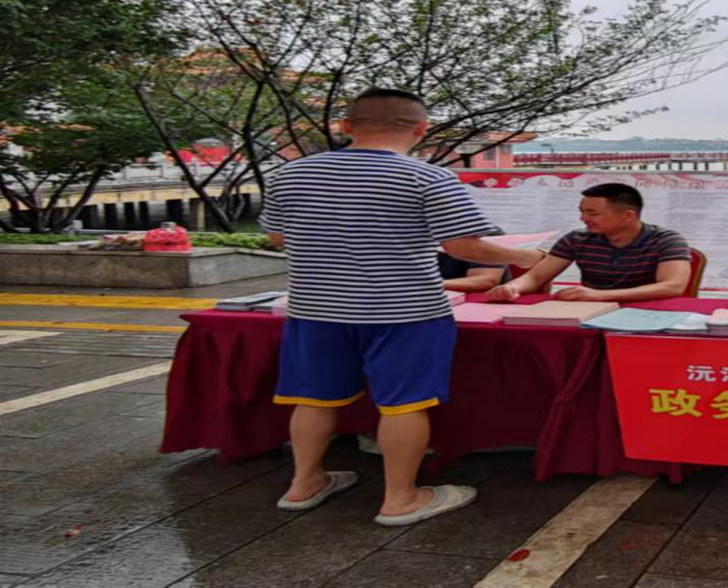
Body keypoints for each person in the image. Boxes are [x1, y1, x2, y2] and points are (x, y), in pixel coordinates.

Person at [259, 88, 543, 527]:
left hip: (314, 308)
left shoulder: (289, 174)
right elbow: (464, 246)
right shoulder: (427, 177)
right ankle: (400, 499)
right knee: (404, 404)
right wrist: (530, 257)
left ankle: (304, 484)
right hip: (405, 312)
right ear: (421, 129)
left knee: (313, 398)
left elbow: (277, 237)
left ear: (346, 126)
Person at [485, 182, 692, 302]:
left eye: (593, 213)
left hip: (650, 312)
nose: (583, 218)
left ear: (628, 215)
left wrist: (601, 295)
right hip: (590, 310)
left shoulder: (667, 240)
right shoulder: (577, 239)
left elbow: (672, 287)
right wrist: (512, 287)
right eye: (582, 212)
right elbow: (536, 277)